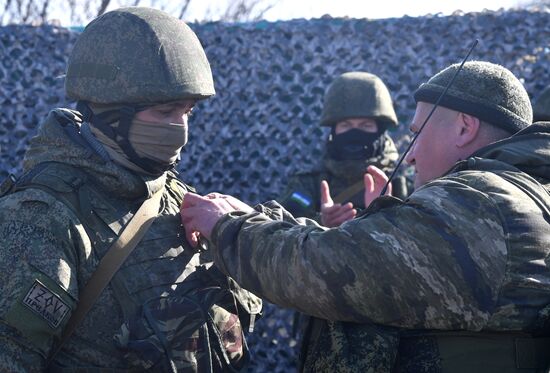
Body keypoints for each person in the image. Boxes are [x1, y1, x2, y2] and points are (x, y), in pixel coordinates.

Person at [181, 61, 550, 372]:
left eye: (418, 133)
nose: (410, 155)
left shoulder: (475, 202)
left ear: (464, 127)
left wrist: (227, 225)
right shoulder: (523, 194)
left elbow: (326, 266)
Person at [0, 7, 260, 372]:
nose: (180, 128)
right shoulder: (43, 217)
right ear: (110, 111)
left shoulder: (174, 197)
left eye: (187, 111)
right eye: (166, 111)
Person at [279, 71, 409, 227]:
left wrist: (385, 216)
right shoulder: (308, 183)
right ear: (334, 131)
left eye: (365, 125)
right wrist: (321, 223)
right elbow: (281, 230)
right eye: (345, 125)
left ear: (381, 132)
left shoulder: (402, 182)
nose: (354, 133)